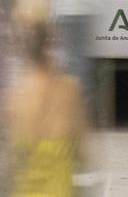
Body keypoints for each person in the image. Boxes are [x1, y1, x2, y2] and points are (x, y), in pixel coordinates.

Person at [4, 16, 88, 196]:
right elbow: (81, 152)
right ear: (51, 47)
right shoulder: (69, 90)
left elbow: (9, 163)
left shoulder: (13, 97)